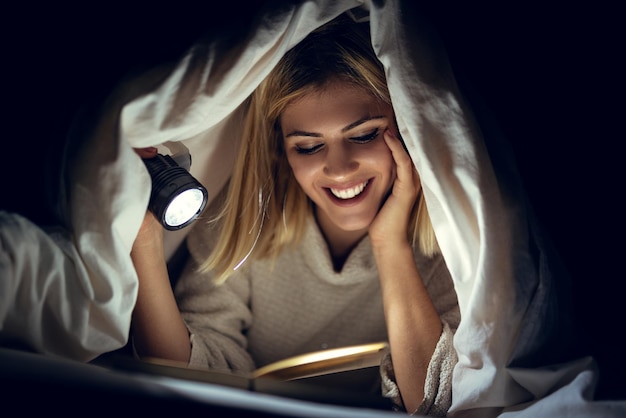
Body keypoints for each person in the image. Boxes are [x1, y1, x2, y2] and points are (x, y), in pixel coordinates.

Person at [130, 15, 460, 416]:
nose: (339, 170)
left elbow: (438, 404)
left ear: (405, 131)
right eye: (307, 147)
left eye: (363, 135)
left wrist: (389, 244)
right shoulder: (244, 226)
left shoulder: (450, 242)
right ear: (282, 152)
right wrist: (142, 237)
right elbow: (185, 373)